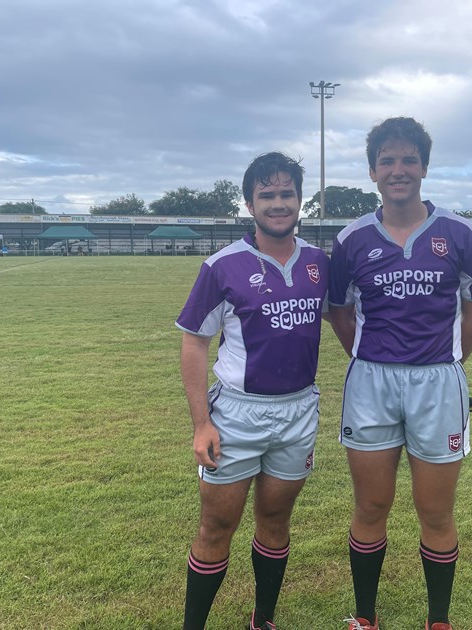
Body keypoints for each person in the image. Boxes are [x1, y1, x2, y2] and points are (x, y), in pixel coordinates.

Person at [328, 117, 472, 630]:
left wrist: (446, 360)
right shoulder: (351, 239)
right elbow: (341, 312)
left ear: (424, 166)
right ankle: (365, 616)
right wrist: (368, 353)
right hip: (371, 382)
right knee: (371, 505)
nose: (399, 170)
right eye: (388, 161)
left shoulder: (461, 233)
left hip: (438, 382)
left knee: (435, 511)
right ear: (373, 171)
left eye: (408, 159)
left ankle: (437, 620)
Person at [176, 152, 329, 630]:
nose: (279, 203)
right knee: (216, 526)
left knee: (276, 522)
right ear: (250, 203)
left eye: (287, 194)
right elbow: (195, 343)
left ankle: (262, 620)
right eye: (268, 195)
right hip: (237, 416)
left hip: (298, 411)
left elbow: (354, 318)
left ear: (301, 201)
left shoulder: (321, 263)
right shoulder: (223, 266)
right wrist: (202, 423)